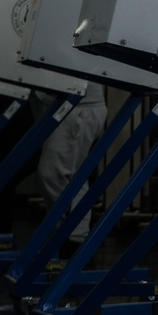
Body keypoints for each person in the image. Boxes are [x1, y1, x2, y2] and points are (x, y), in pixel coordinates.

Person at [36, 83, 107, 257]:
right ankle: (74, 237)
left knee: (53, 174)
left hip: (78, 107)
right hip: (70, 104)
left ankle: (74, 237)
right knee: (71, 177)